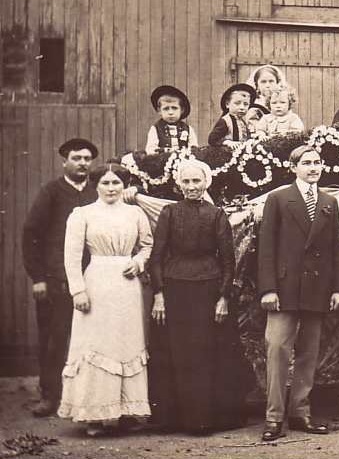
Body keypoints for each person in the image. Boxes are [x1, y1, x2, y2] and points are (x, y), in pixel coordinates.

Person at [147, 159, 251, 434]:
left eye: (196, 181)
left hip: (209, 291)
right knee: (178, 354)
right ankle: (173, 419)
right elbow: (156, 256)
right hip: (175, 291)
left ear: (206, 182)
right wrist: (158, 295)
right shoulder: (169, 213)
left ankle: (207, 419)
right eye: (186, 182)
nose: (191, 187)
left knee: (207, 354)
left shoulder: (217, 214)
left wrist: (224, 298)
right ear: (179, 184)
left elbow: (229, 260)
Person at [257, 145, 339, 441]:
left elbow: (336, 250)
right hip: (284, 290)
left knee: (308, 354)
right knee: (278, 350)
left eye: (317, 162)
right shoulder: (279, 198)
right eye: (306, 163)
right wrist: (268, 288)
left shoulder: (329, 202)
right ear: (293, 166)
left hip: (317, 289)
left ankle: (300, 413)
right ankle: (274, 418)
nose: (313, 168)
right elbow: (266, 248)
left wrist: (337, 288)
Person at [58, 163, 153, 436]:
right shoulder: (82, 215)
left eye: (116, 183)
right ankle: (94, 416)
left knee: (126, 343)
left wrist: (138, 261)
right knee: (97, 344)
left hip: (127, 286)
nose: (111, 188)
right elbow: (71, 256)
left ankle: (125, 410)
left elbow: (148, 245)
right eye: (105, 183)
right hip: (97, 282)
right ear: (95, 185)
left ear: (124, 185)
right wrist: (78, 290)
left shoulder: (135, 213)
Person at [21, 138, 99, 417]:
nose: (82, 163)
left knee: (91, 339)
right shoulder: (52, 192)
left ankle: (84, 398)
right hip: (56, 281)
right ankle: (50, 396)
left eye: (87, 159)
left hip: (91, 280)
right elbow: (31, 235)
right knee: (54, 339)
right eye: (76, 158)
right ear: (64, 161)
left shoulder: (97, 191)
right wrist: (38, 277)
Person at [145, 85, 199, 154]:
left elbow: (194, 148)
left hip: (184, 161)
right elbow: (150, 150)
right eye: (166, 108)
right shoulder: (155, 129)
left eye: (174, 108)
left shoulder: (188, 129)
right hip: (162, 161)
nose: (170, 112)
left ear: (182, 110)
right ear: (159, 111)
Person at [207, 83, 256, 147]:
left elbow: (246, 136)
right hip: (225, 154)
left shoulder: (243, 122)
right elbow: (212, 139)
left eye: (245, 104)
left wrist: (250, 139)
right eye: (237, 103)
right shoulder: (225, 121)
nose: (242, 107)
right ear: (227, 104)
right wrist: (227, 142)